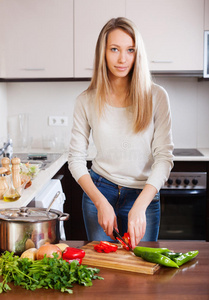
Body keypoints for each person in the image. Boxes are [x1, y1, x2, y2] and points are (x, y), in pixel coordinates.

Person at [68, 17, 174, 248]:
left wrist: (140, 206)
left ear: (138, 54)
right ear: (103, 52)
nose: (122, 58)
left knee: (141, 274)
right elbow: (75, 159)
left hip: (143, 194)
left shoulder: (157, 97)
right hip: (100, 190)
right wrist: (100, 202)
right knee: (103, 273)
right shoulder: (86, 100)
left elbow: (164, 158)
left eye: (130, 50)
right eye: (114, 49)